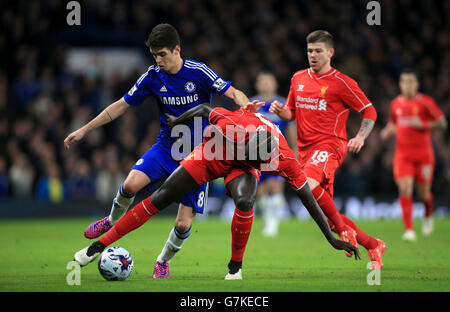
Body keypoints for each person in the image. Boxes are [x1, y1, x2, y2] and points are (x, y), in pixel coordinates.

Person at [74, 104, 361, 279]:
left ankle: (234, 268)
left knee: (246, 200)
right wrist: (177, 122)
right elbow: (201, 110)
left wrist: (331, 239)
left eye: (258, 162)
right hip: (213, 153)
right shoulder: (231, 123)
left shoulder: (283, 157)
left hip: (239, 167)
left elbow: (308, 199)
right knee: (160, 198)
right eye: (252, 159)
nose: (255, 163)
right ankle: (96, 247)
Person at [64, 23, 251, 273]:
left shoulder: (199, 72)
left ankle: (162, 262)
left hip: (198, 156)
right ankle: (110, 221)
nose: (158, 60)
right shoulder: (152, 76)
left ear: (177, 50)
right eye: (154, 55)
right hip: (166, 147)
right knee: (130, 184)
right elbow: (121, 105)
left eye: (162, 54)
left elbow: (233, 92)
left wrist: (246, 108)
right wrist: (84, 129)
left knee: (184, 224)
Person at [269, 30, 385, 269]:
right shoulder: (298, 78)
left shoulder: (342, 83)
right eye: (310, 50)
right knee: (327, 217)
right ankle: (374, 244)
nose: (313, 55)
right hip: (305, 151)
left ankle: (344, 231)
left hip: (331, 145)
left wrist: (360, 136)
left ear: (330, 53)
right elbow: (292, 112)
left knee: (309, 188)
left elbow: (369, 110)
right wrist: (282, 112)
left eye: (318, 51)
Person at [380, 69, 447, 241]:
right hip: (403, 156)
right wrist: (387, 130)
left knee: (424, 194)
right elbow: (394, 122)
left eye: (411, 82)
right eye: (404, 82)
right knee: (404, 189)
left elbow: (442, 123)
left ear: (416, 84)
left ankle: (427, 215)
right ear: (400, 84)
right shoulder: (396, 103)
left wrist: (424, 124)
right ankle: (409, 229)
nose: (407, 85)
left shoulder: (425, 102)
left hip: (424, 156)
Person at [250, 72, 296, 237]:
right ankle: (269, 219)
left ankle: (272, 222)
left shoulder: (282, 104)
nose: (265, 84)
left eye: (268, 81)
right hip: (255, 154)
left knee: (275, 187)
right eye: (262, 81)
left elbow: (290, 127)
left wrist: (295, 150)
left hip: (278, 153)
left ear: (275, 84)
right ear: (257, 85)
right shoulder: (251, 103)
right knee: (260, 191)